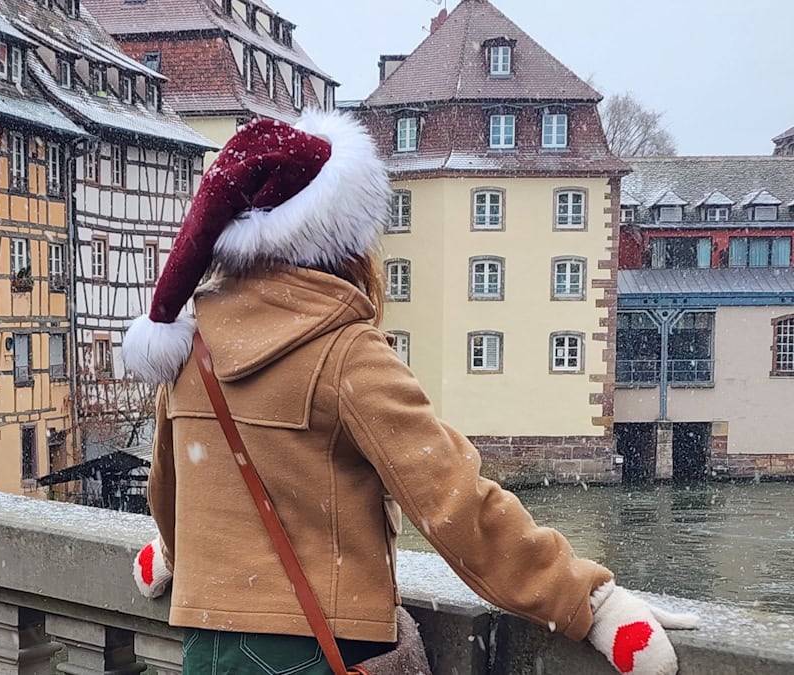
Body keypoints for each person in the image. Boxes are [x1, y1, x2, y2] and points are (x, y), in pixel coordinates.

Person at [123, 110, 696, 675]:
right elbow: (453, 502)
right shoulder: (345, 353)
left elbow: (172, 481)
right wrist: (586, 601)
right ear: (343, 238)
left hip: (206, 642)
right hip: (312, 649)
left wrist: (173, 553)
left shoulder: (193, 345)